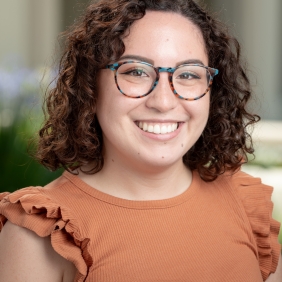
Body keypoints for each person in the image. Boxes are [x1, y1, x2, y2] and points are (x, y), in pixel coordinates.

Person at [0, 0, 281, 281]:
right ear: (89, 86)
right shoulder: (41, 232)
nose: (163, 102)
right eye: (136, 71)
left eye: (187, 74)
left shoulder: (244, 203)